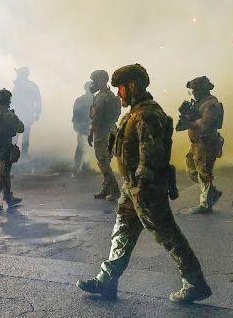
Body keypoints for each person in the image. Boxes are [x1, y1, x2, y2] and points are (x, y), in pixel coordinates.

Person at [76, 64, 212, 304]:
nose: (119, 94)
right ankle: (107, 281)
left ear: (132, 85)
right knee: (122, 233)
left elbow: (149, 153)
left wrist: (142, 184)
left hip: (145, 187)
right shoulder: (136, 112)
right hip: (133, 187)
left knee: (167, 235)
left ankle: (195, 283)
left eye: (121, 88)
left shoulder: (146, 113)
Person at [176, 76, 224, 214]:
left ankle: (205, 203)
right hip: (197, 143)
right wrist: (185, 116)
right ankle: (210, 190)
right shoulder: (199, 103)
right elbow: (181, 126)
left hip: (206, 142)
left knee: (203, 171)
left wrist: (190, 121)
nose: (193, 93)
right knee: (191, 170)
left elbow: (205, 124)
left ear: (202, 90)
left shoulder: (210, 104)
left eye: (195, 90)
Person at [88, 69, 121, 200]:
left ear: (101, 81)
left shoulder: (101, 97)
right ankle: (106, 188)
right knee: (105, 161)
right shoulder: (112, 96)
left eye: (94, 81)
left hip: (102, 132)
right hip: (112, 130)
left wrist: (91, 132)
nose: (93, 84)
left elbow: (96, 117)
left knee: (102, 162)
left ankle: (114, 190)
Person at [11, 67, 41, 158]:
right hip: (19, 113)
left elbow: (38, 100)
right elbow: (13, 100)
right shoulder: (19, 85)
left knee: (24, 133)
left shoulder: (29, 86)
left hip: (26, 113)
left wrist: (37, 112)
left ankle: (22, 153)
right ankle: (16, 152)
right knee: (17, 134)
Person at [71, 81, 95, 175]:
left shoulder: (95, 99)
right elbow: (76, 115)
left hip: (90, 126)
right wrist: (78, 126)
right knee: (82, 147)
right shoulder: (82, 100)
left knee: (87, 147)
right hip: (84, 126)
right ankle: (77, 168)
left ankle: (85, 167)